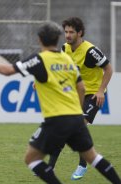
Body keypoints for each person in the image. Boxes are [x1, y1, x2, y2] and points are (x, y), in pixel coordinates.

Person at [0, 22, 121, 184]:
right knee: (93, 157)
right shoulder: (66, 58)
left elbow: (7, 71)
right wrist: (78, 109)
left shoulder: (39, 60)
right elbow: (80, 87)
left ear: (39, 40)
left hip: (57, 119)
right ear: (58, 39)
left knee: (31, 158)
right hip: (76, 117)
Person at [47, 17, 113, 180]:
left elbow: (109, 69)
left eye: (71, 32)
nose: (67, 35)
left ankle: (81, 165)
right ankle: (50, 167)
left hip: (93, 95)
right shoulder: (64, 48)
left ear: (80, 33)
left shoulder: (91, 51)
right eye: (66, 32)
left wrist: (100, 90)